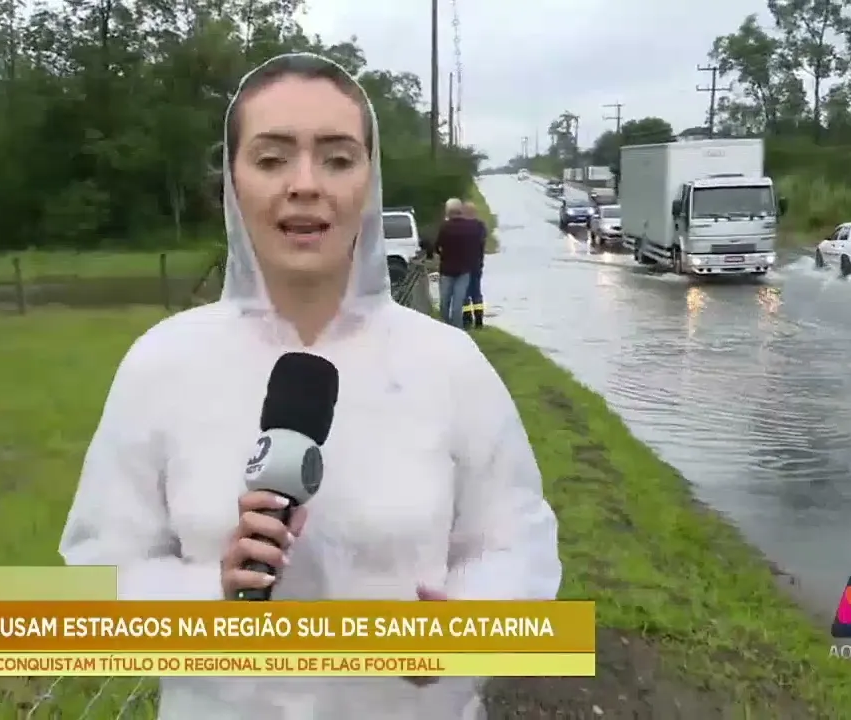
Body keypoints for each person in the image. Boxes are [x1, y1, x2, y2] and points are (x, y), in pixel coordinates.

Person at [58, 52, 560, 719]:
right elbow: (99, 574)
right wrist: (212, 595)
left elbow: (515, 547)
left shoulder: (451, 366)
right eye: (271, 159)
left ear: (369, 184)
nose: (305, 184)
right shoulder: (161, 365)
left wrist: (456, 635)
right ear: (233, 186)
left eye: (337, 157)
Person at [432, 198, 484, 327]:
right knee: (466, 298)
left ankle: (454, 323)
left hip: (450, 268)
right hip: (470, 266)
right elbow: (480, 244)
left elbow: (437, 246)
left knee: (448, 300)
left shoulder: (445, 227)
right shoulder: (476, 226)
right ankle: (472, 323)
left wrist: (441, 254)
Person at [460, 200, 486, 330]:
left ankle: (467, 319)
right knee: (477, 293)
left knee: (464, 294)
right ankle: (479, 320)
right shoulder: (480, 226)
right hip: (477, 264)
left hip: (463, 265)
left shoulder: (461, 226)